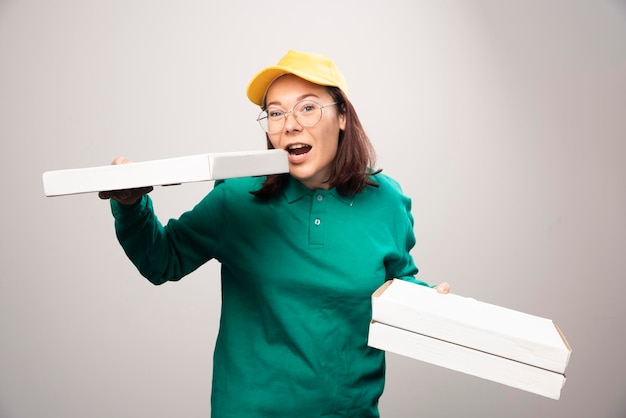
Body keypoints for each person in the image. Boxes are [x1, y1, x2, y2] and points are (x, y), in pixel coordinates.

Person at [99, 50, 450, 418]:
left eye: (308, 107)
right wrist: (130, 204)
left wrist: (433, 305)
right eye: (276, 113)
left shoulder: (387, 201)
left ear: (343, 115)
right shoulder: (238, 197)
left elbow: (397, 286)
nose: (290, 124)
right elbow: (161, 260)